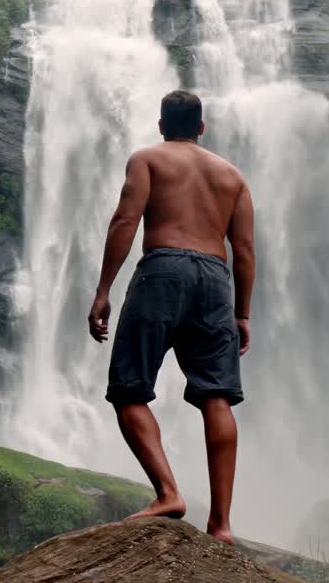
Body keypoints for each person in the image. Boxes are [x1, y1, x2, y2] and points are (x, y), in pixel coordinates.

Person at [86, 89, 255, 545]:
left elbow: (125, 220)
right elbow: (244, 250)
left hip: (162, 271)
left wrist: (103, 290)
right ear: (202, 127)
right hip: (215, 280)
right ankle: (221, 524)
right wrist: (242, 314)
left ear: (161, 125)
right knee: (216, 397)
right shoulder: (232, 177)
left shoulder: (147, 159)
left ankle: (168, 494)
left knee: (128, 389)